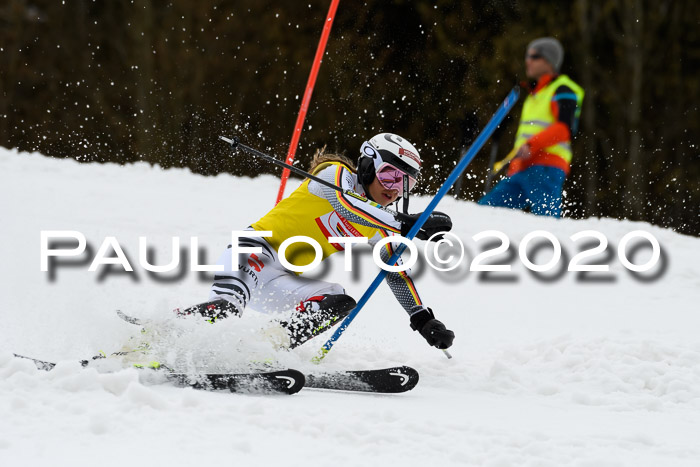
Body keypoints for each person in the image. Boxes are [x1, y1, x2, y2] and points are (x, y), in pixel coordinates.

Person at [174, 132, 455, 352]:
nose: (394, 188)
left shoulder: (379, 223)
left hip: (280, 281)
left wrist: (421, 318)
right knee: (223, 312)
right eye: (389, 174)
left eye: (405, 183)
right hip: (252, 256)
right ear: (368, 164)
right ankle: (163, 333)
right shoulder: (333, 175)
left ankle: (261, 349)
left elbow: (395, 270)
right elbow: (347, 207)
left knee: (339, 300)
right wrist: (403, 224)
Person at [479, 37, 584, 217]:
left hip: (546, 167)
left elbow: (564, 130)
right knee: (484, 212)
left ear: (549, 61)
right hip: (523, 167)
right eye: (527, 55)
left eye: (534, 56)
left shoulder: (563, 89)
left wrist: (531, 145)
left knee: (546, 221)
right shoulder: (534, 95)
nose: (527, 60)